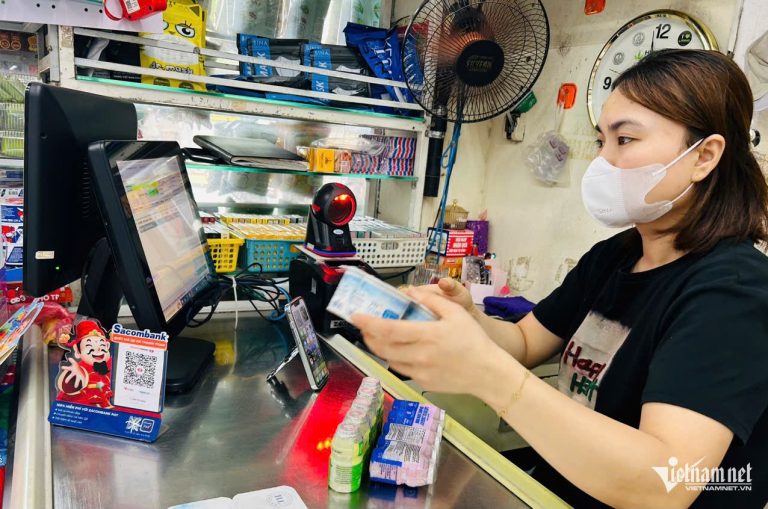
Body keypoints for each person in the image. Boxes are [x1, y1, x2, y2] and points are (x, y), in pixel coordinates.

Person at [352, 49, 768, 509]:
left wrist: (489, 376)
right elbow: (525, 342)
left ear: (704, 156)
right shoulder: (615, 257)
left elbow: (663, 485)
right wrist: (468, 317)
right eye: (601, 142)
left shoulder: (735, 293)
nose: (603, 162)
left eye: (625, 139)